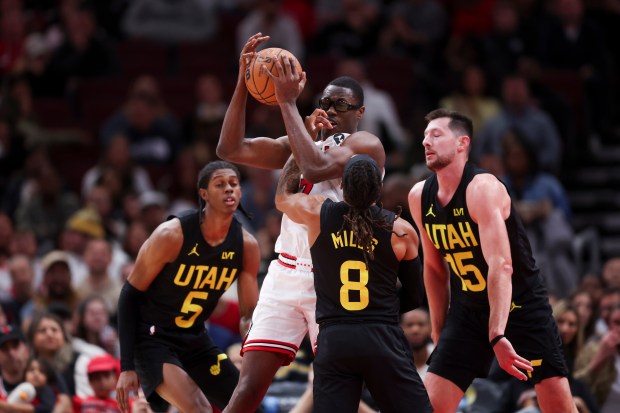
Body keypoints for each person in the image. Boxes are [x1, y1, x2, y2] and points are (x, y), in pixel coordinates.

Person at [216, 33, 385, 412]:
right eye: (325, 101)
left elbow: (315, 167)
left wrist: (287, 103)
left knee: (336, 394)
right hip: (285, 274)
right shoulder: (302, 140)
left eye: (342, 103)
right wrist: (245, 82)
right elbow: (230, 148)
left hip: (334, 276)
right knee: (248, 387)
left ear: (359, 111)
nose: (331, 108)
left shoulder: (367, 146)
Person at [407, 108, 577, 413]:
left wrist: (497, 333)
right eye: (423, 136)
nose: (425, 142)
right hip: (468, 310)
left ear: (462, 143)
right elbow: (433, 268)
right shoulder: (419, 196)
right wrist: (438, 328)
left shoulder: (483, 189)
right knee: (428, 407)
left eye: (436, 134)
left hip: (520, 305)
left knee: (557, 404)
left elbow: (502, 265)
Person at [275, 155, 431, 412]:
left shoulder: (318, 213)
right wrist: (381, 310)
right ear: (378, 189)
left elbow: (282, 198)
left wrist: (295, 156)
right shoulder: (400, 230)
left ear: (343, 187)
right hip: (382, 336)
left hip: (335, 339)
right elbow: (414, 297)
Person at [115, 160, 262, 413]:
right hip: (153, 337)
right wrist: (126, 365)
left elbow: (249, 314)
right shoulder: (172, 234)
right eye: (220, 184)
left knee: (249, 407)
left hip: (195, 337)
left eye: (234, 184)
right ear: (203, 194)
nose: (229, 189)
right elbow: (129, 295)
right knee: (199, 408)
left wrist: (253, 345)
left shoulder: (246, 245)